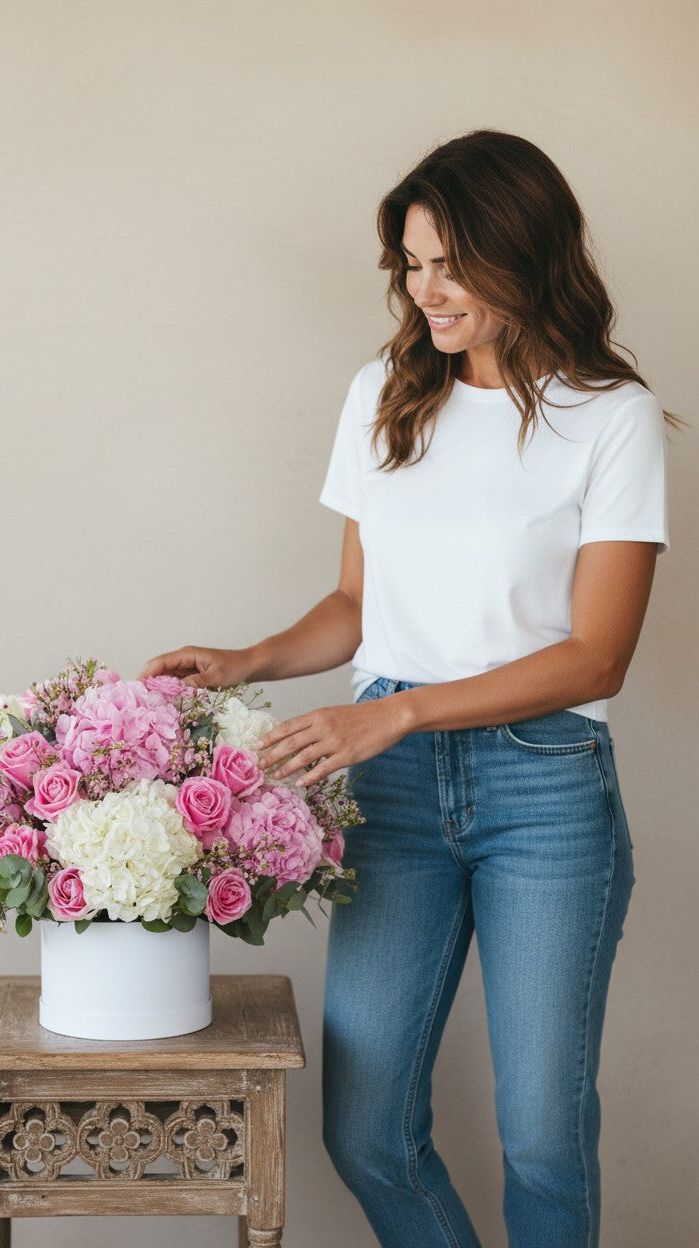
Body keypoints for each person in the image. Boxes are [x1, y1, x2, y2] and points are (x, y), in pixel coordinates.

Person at [139, 129, 679, 1248]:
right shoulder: (386, 392)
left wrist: (396, 709)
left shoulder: (608, 414)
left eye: (449, 263)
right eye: (411, 264)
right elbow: (355, 607)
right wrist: (242, 660)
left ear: (526, 256)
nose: (424, 290)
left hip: (545, 789)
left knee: (541, 1132)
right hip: (390, 794)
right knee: (369, 1129)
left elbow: (597, 657)